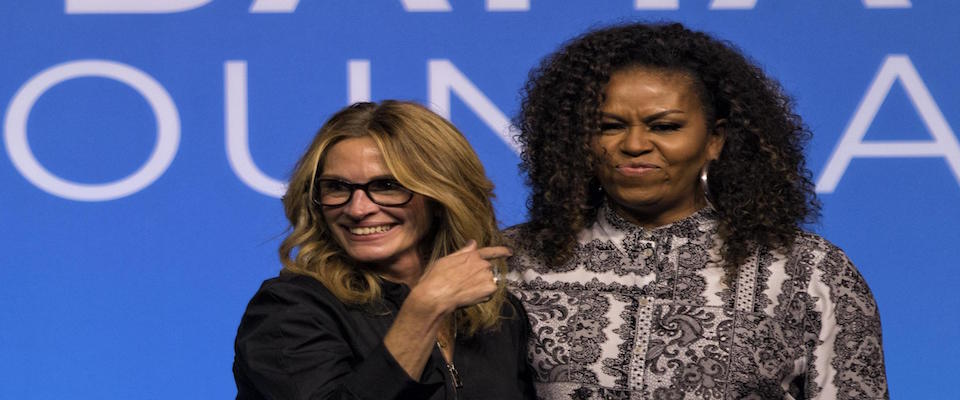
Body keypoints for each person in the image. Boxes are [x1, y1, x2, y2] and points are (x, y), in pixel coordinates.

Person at [506, 22, 888, 399]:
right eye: (609, 126)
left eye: (666, 126)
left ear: (715, 140)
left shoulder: (809, 271)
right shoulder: (515, 262)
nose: (635, 144)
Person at [233, 101, 536, 399]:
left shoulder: (500, 316)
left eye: (387, 186)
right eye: (337, 187)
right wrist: (422, 312)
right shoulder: (289, 310)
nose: (358, 209)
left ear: (440, 195)